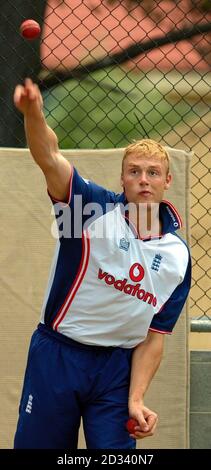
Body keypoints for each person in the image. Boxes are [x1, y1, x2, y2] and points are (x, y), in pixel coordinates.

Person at [13, 78, 191, 449]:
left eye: (153, 173)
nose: (143, 180)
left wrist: (137, 398)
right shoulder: (89, 210)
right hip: (58, 355)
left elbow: (155, 336)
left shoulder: (177, 256)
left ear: (167, 181)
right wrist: (34, 113)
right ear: (123, 178)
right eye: (135, 172)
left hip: (116, 368)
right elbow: (49, 155)